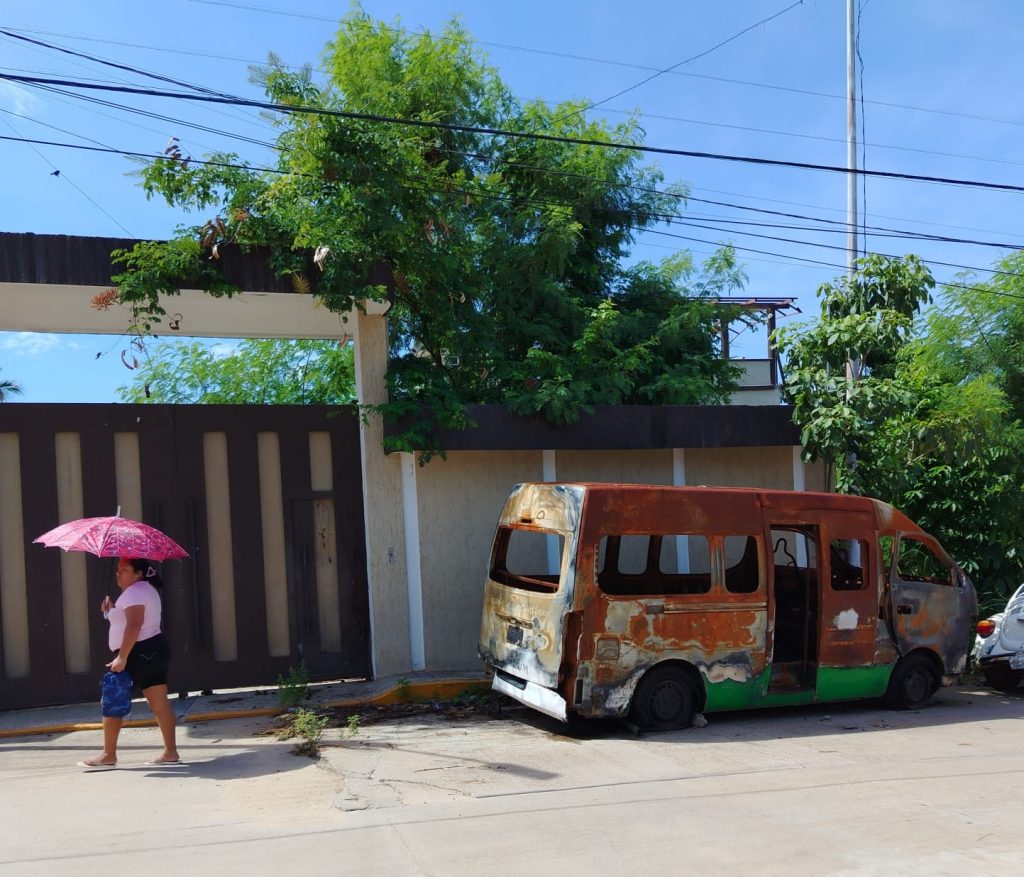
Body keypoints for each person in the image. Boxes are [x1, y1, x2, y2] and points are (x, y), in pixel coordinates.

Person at [79, 558, 181, 768]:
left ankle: (109, 755)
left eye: (124, 570)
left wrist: (122, 657)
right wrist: (110, 611)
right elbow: (128, 620)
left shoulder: (134, 593)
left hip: (137, 653)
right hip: (155, 650)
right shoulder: (146, 590)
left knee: (112, 698)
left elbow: (135, 625)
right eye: (117, 570)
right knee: (160, 703)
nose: (118, 573)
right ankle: (170, 752)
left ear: (138, 574)